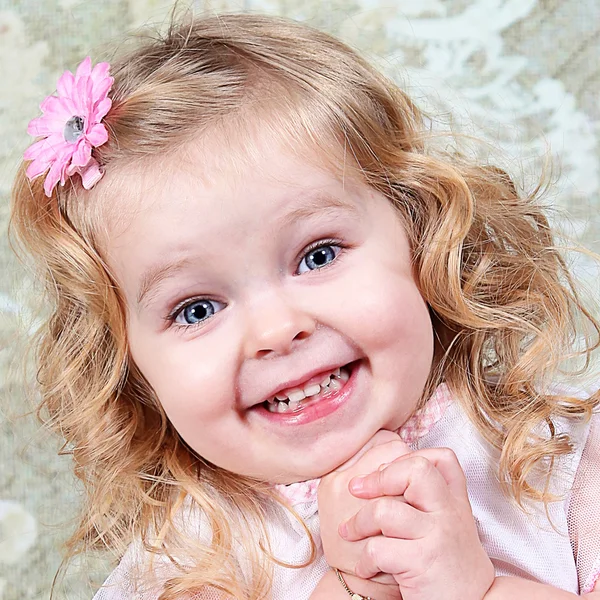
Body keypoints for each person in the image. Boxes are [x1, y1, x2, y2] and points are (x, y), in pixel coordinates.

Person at [10, 11, 600, 600]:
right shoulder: (181, 567)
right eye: (196, 310)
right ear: (131, 370)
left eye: (317, 256)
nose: (278, 329)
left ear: (421, 234)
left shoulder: (558, 465)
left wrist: (475, 590)